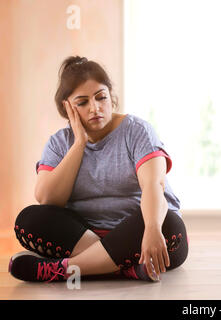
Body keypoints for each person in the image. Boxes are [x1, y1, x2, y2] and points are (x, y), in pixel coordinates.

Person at [9, 56, 188, 283]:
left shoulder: (138, 131)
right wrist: (79, 144)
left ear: (110, 97)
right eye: (82, 102)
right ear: (67, 107)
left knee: (169, 224)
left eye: (101, 97)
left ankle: (65, 270)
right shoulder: (59, 143)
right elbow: (48, 198)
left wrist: (152, 228)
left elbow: (154, 185)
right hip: (86, 235)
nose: (95, 108)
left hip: (138, 234)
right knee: (29, 219)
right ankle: (126, 268)